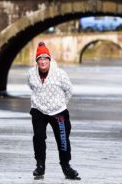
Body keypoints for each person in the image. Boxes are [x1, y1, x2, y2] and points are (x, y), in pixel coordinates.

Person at [27, 42, 80, 180]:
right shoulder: (31, 74)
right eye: (40, 59)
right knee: (38, 138)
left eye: (45, 58)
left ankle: (66, 166)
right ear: (37, 61)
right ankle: (40, 166)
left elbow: (69, 90)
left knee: (62, 139)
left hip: (58, 111)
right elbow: (31, 87)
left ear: (49, 60)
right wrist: (39, 102)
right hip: (38, 110)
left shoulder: (60, 74)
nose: (43, 61)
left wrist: (62, 105)